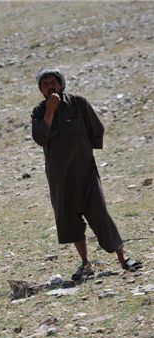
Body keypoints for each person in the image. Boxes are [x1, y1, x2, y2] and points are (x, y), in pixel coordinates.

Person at [31, 67, 143, 280]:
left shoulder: (79, 103)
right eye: (45, 83)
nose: (50, 86)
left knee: (99, 212)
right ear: (40, 89)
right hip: (60, 177)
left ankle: (123, 258)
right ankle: (85, 264)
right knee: (69, 219)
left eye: (53, 81)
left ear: (61, 84)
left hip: (85, 172)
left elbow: (96, 128)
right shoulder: (39, 112)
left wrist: (84, 153)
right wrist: (50, 111)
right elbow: (40, 138)